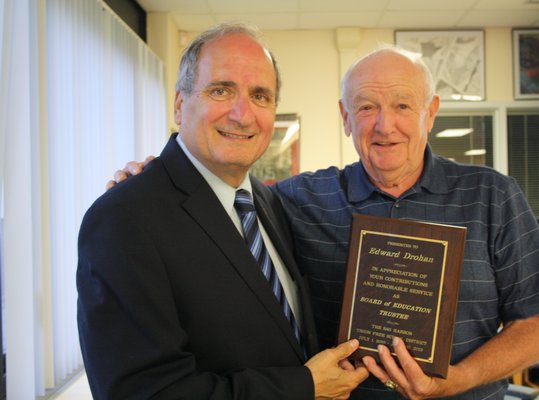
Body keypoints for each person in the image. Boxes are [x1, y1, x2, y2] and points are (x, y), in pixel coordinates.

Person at [109, 46, 539, 399]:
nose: (384, 126)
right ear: (345, 117)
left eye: (403, 107)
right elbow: (219, 205)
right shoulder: (295, 198)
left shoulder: (492, 195)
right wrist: (155, 181)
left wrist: (459, 379)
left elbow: (536, 327)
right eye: (367, 107)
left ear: (430, 113)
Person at [77, 22, 369, 400]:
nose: (242, 114)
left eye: (261, 96)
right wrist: (304, 387)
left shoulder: (268, 202)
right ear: (180, 105)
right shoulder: (123, 218)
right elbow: (143, 392)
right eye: (221, 90)